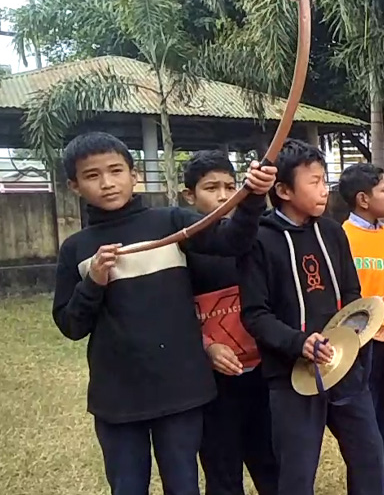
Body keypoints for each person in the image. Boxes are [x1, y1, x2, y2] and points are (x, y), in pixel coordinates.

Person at [51, 132, 275, 495]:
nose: (107, 183)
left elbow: (233, 241)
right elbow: (71, 325)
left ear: (134, 174)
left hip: (181, 392)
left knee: (184, 484)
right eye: (92, 176)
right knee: (127, 486)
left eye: (115, 171)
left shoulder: (171, 223)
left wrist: (252, 199)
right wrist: (93, 281)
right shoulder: (75, 249)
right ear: (74, 186)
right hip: (117, 399)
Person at [238, 139, 384, 495]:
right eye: (315, 182)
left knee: (370, 457)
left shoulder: (333, 231)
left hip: (345, 367)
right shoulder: (259, 240)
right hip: (291, 376)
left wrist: (349, 337)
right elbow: (255, 314)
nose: (325, 190)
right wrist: (297, 342)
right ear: (284, 190)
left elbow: (352, 294)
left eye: (325, 180)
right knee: (297, 472)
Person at [181, 151, 280, 495]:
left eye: (229, 186)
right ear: (189, 196)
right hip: (214, 382)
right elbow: (172, 314)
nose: (223, 195)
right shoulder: (180, 247)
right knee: (223, 472)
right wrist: (206, 348)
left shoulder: (256, 237)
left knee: (272, 464)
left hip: (265, 373)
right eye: (211, 188)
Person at [337, 163, 384, 469]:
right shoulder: (341, 237)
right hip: (362, 343)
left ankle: (379, 480)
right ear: (363, 199)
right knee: (364, 424)